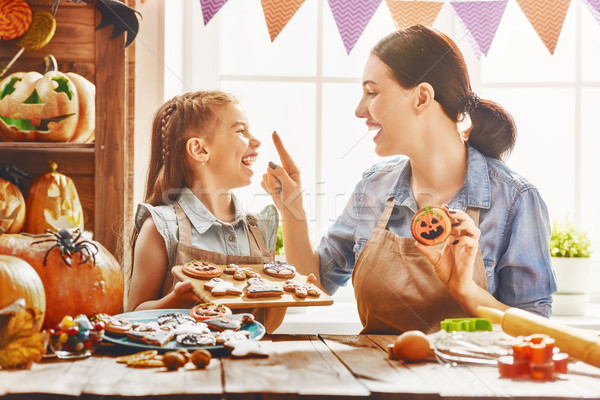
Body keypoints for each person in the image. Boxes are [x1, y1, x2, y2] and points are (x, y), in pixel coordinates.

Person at [263, 25, 556, 334]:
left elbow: (538, 333)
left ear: (422, 97)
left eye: (372, 93)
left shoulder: (514, 199)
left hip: (467, 380)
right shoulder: (372, 188)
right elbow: (313, 285)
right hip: (374, 378)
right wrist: (291, 207)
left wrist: (467, 291)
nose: (359, 110)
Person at [127, 91, 285, 332]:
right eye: (241, 131)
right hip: (183, 366)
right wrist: (174, 302)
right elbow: (132, 316)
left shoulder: (259, 230)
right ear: (199, 150)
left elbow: (267, 326)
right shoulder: (161, 227)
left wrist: (284, 291)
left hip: (249, 366)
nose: (255, 141)